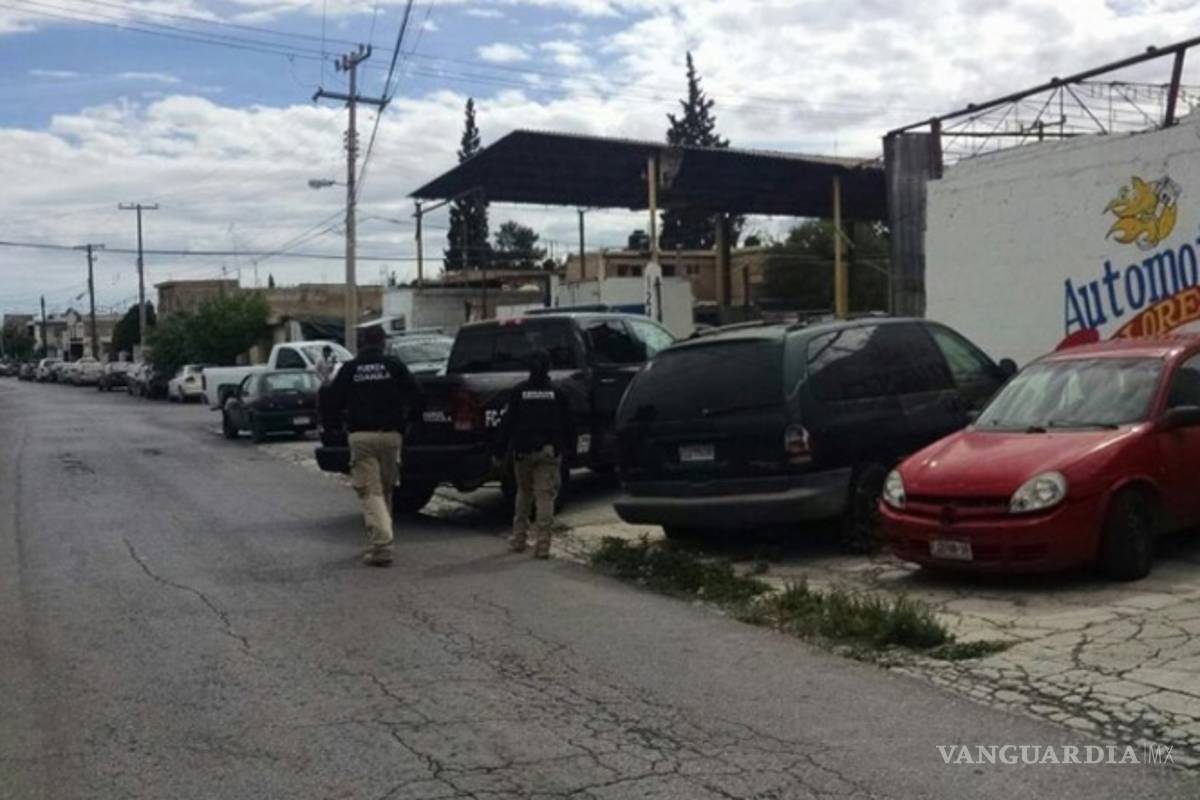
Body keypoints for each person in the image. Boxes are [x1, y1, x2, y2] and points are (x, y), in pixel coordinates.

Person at [322, 326, 423, 567]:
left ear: (361, 343)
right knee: (385, 490)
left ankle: (382, 544)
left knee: (370, 491)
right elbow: (418, 395)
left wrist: (333, 428)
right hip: (391, 436)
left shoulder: (350, 368)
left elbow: (331, 400)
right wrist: (410, 422)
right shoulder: (394, 365)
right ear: (383, 342)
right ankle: (382, 541)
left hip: (361, 437)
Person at [494, 349, 574, 558]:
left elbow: (507, 423)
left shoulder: (519, 392)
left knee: (523, 493)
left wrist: (499, 450)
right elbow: (569, 424)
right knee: (545, 497)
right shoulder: (557, 393)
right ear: (549, 367)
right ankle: (542, 546)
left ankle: (518, 539)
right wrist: (567, 449)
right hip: (548, 452)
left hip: (523, 451)